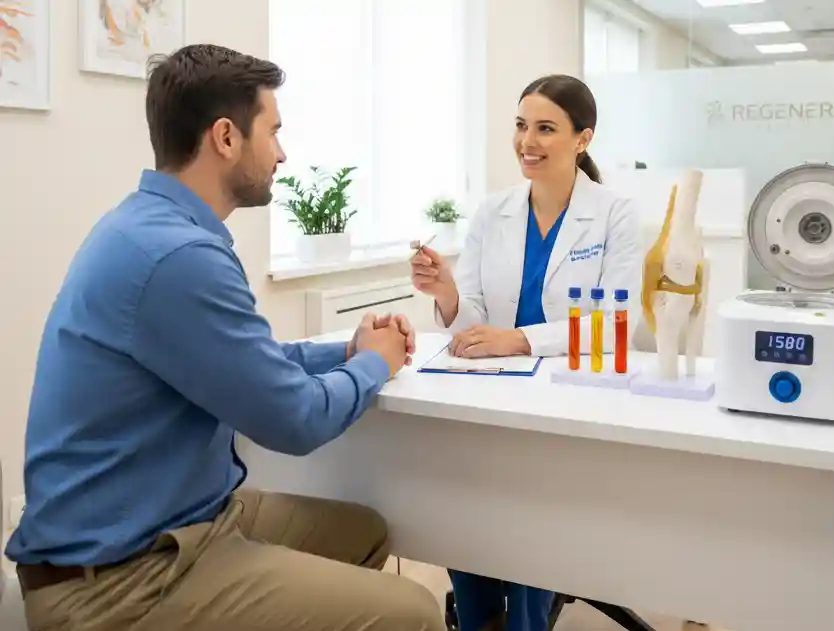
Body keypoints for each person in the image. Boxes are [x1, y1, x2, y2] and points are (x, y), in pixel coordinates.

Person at [5, 44, 445, 631]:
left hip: (173, 525)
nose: (282, 152)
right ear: (226, 137)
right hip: (119, 583)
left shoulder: (145, 225)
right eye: (274, 131)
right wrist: (376, 364)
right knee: (413, 613)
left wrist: (344, 352)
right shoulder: (179, 256)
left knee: (362, 532)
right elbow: (296, 419)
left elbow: (241, 363)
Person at [410, 75, 642, 630]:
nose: (526, 141)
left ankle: (527, 622)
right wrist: (446, 293)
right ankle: (479, 618)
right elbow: (472, 323)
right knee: (460, 496)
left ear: (582, 138)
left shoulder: (615, 212)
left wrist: (519, 338)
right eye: (520, 125)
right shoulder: (493, 211)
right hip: (495, 391)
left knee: (531, 504)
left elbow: (613, 325)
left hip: (570, 395)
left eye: (545, 128)